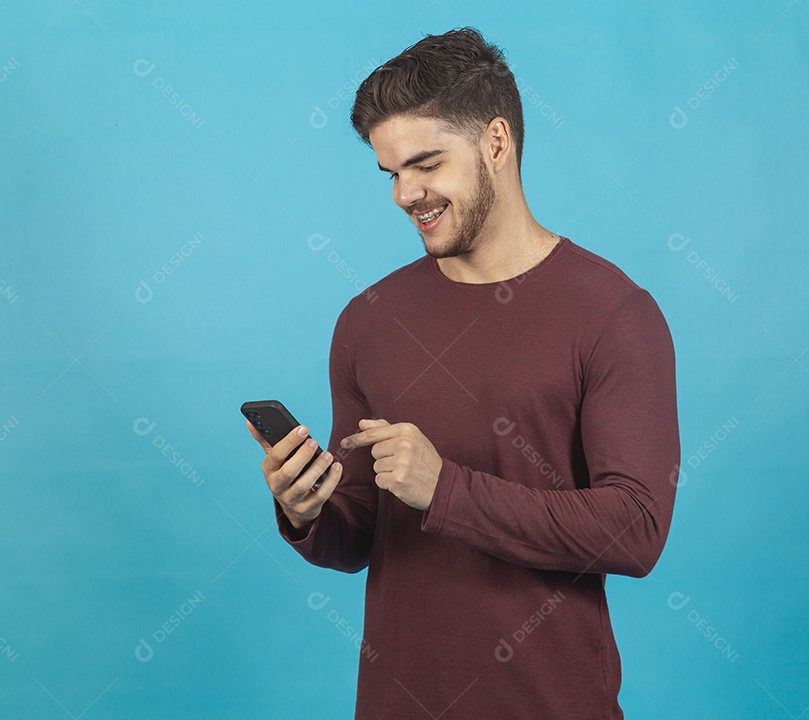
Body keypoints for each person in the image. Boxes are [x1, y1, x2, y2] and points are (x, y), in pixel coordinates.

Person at [246, 26, 680, 719]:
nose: (404, 194)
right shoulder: (368, 320)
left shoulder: (614, 313)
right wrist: (305, 510)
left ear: (497, 143)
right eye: (391, 173)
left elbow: (634, 529)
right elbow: (357, 534)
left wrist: (447, 489)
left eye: (425, 164)